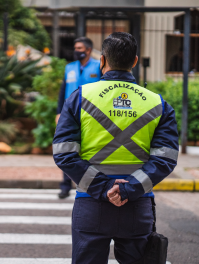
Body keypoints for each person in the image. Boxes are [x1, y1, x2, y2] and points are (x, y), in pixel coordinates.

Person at [53, 32, 179, 263]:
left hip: (91, 200)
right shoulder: (158, 103)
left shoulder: (80, 97)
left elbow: (64, 153)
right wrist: (127, 189)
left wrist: (104, 187)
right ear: (135, 61)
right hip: (137, 203)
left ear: (102, 61)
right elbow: (166, 159)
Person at [56, 37, 101, 199]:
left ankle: (85, 184)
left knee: (87, 151)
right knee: (67, 149)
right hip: (70, 115)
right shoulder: (70, 68)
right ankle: (65, 186)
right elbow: (63, 91)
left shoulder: (98, 66)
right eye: (75, 48)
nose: (76, 51)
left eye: (80, 48)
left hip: (92, 116)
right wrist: (58, 112)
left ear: (88, 50)